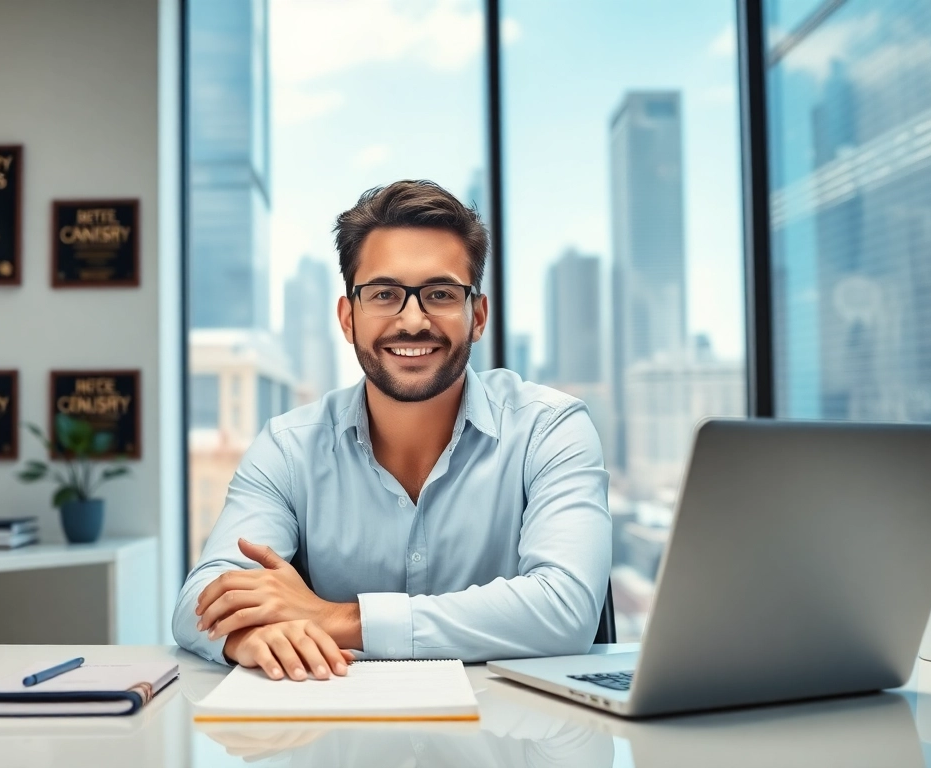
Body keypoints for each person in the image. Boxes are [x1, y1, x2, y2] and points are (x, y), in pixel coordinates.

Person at [174, 180, 611, 682]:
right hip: (338, 721)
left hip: (512, 725)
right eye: (384, 294)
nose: (413, 321)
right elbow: (200, 599)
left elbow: (565, 608)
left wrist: (335, 619)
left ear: (477, 316)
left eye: (440, 294)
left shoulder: (549, 429)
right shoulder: (289, 448)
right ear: (348, 318)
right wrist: (248, 636)